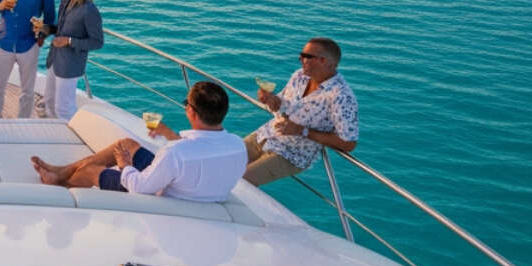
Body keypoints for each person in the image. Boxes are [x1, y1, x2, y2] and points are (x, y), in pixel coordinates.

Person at [32, 81, 245, 201]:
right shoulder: (237, 146)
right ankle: (62, 171)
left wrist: (124, 166)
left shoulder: (175, 153)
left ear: (191, 111)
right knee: (125, 144)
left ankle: (60, 187)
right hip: (190, 188)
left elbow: (140, 187)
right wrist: (169, 134)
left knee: (90, 171)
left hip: (163, 197)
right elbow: (200, 150)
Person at [244, 38, 359, 186]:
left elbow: (348, 143)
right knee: (223, 158)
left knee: (241, 180)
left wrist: (302, 131)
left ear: (323, 61)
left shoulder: (341, 97)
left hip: (289, 154)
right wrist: (272, 101)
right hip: (266, 135)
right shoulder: (300, 76)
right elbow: (282, 105)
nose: (300, 59)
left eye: (306, 56)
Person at [37, 0, 103, 120]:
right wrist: (47, 29)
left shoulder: (89, 10)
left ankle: (71, 139)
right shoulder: (65, 1)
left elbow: (97, 42)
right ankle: (54, 136)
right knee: (50, 102)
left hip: (70, 65)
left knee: (64, 109)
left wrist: (69, 41)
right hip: (55, 59)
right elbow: (60, 29)